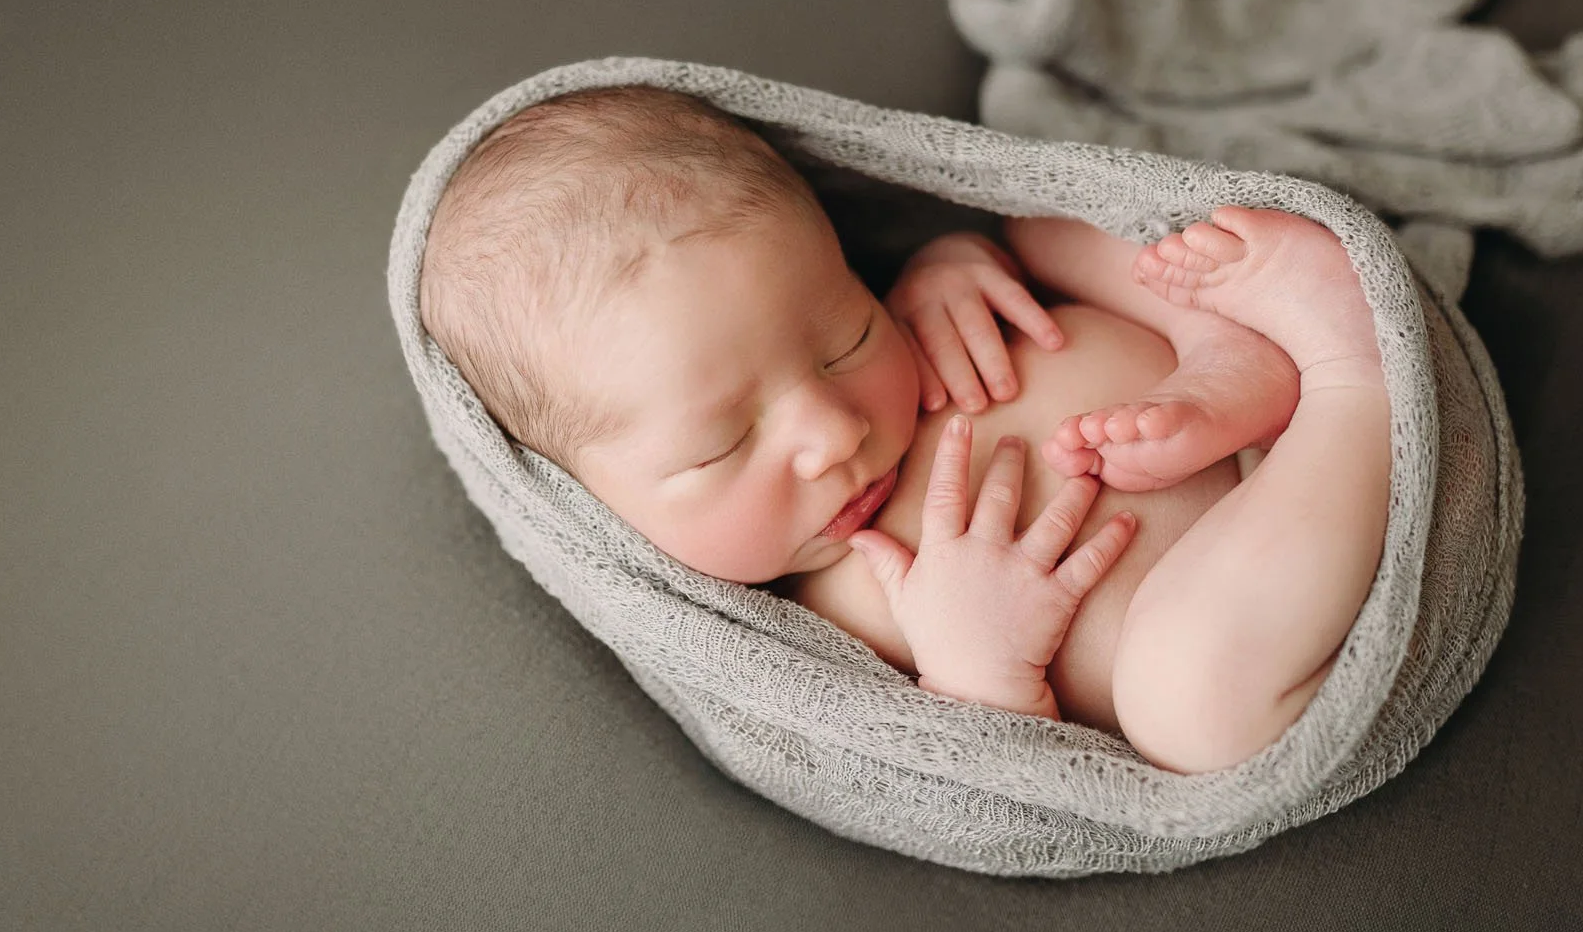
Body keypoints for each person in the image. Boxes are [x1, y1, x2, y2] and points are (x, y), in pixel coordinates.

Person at [418, 85, 1390, 773]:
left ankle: (1219, 343)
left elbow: (978, 237)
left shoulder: (912, 318)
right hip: (1281, 563)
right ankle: (1351, 377)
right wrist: (979, 670)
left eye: (841, 336)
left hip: (1213, 397)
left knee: (1037, 225)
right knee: (1191, 708)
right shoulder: (826, 625)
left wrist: (947, 261)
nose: (832, 429)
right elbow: (1001, 779)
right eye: (722, 443)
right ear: (590, 506)